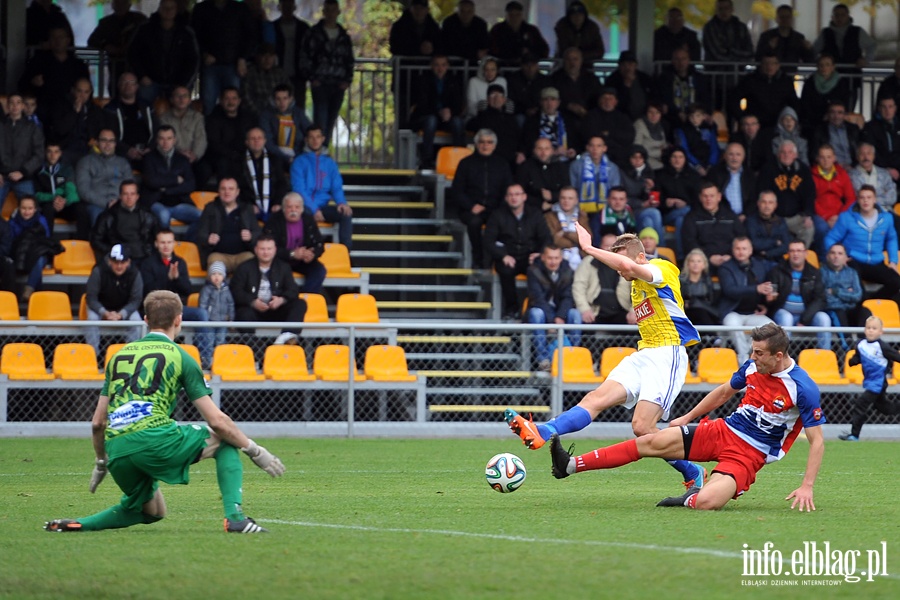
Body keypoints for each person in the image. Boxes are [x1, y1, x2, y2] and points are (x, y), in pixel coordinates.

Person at [43, 289, 285, 534]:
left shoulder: (117, 356)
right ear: (179, 319)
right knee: (224, 441)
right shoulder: (182, 357)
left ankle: (78, 524)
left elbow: (97, 422)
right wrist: (254, 450)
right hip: (153, 439)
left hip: (117, 450)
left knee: (153, 512)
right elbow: (218, 421)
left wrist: (101, 463)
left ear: (146, 320)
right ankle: (235, 518)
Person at [506, 226, 704, 491]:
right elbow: (627, 267)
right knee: (594, 399)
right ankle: (543, 431)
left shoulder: (661, 268)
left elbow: (629, 265)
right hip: (644, 354)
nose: (620, 273)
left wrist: (588, 249)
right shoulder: (635, 286)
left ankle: (693, 470)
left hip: (668, 354)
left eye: (623, 265)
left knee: (643, 428)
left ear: (641, 257)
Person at [548, 323, 824, 512]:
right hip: (724, 431)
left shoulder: (802, 387)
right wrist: (688, 416)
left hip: (750, 454)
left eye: (759, 353)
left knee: (707, 503)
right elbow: (725, 392)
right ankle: (570, 465)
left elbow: (817, 442)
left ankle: (692, 496)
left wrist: (806, 486)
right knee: (652, 441)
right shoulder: (752, 366)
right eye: (753, 350)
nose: (753, 357)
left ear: (778, 356)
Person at [483, 184, 551, 319]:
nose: (514, 198)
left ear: (524, 197)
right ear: (506, 198)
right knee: (505, 270)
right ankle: (511, 309)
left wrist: (540, 253)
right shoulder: (497, 215)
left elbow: (547, 238)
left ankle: (536, 306)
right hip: (508, 257)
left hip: (530, 256)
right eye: (510, 195)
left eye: (517, 194)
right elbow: (488, 241)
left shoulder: (535, 214)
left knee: (538, 269)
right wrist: (503, 255)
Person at [825, 185, 900, 303]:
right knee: (858, 288)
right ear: (858, 200)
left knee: (896, 282)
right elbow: (830, 238)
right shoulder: (846, 217)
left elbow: (891, 239)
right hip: (854, 260)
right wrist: (839, 257)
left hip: (876, 261)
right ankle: (865, 305)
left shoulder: (886, 218)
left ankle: (871, 301)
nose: (865, 200)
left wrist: (893, 261)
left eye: (869, 197)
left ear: (875, 200)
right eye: (862, 197)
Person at [451, 129, 513, 268]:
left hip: (496, 209)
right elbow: (457, 191)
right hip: (471, 209)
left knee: (502, 223)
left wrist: (499, 209)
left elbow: (508, 190)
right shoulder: (465, 163)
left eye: (489, 142)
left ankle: (496, 260)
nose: (486, 145)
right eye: (482, 142)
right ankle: (478, 259)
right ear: (476, 144)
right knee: (474, 222)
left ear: (494, 145)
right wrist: (471, 206)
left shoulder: (502, 164)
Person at [231, 235, 306, 346]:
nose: (266, 252)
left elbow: (293, 290)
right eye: (262, 249)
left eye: (269, 249)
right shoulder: (244, 268)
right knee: (242, 313)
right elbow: (235, 291)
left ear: (275, 250)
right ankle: (258, 350)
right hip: (254, 312)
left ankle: (286, 337)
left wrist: (281, 300)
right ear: (256, 250)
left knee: (300, 304)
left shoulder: (283, 267)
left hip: (276, 310)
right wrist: (252, 301)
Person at [299, 0, 355, 146]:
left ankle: (324, 149)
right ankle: (317, 150)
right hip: (320, 83)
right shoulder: (314, 33)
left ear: (338, 12)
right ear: (324, 12)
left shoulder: (344, 36)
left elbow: (349, 59)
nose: (331, 14)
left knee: (331, 120)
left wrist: (347, 80)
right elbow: (305, 56)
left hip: (338, 84)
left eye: (333, 10)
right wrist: (312, 77)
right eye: (328, 10)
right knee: (320, 119)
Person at [290, 125, 353, 249]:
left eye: (318, 137)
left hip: (323, 206)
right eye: (311, 137)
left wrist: (341, 202)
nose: (315, 140)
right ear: (306, 140)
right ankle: (310, 253)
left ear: (323, 139)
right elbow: (299, 190)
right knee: (304, 214)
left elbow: (336, 186)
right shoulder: (299, 162)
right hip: (304, 206)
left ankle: (345, 255)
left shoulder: (330, 163)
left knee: (346, 214)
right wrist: (314, 210)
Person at [128, 0, 200, 105]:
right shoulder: (145, 29)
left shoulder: (186, 32)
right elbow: (132, 53)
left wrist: (184, 84)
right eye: (165, 8)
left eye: (171, 8)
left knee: (181, 108)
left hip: (178, 82)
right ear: (159, 9)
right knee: (143, 108)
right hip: (150, 81)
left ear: (176, 10)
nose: (168, 11)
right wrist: (141, 76)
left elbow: (193, 60)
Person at [718, 237, 777, 365]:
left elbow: (763, 290)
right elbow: (730, 290)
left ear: (750, 251)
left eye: (744, 248)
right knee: (734, 326)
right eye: (738, 248)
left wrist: (766, 302)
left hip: (752, 313)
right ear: (733, 250)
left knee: (773, 329)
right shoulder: (725, 268)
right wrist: (757, 289)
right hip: (732, 312)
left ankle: (765, 362)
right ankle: (744, 361)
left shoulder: (759, 266)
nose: (741, 252)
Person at [192, 0, 255, 115]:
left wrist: (243, 58)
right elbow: (194, 36)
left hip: (233, 65)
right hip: (210, 65)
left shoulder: (239, 8)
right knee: (208, 103)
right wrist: (204, 53)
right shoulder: (201, 9)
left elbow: (250, 36)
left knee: (233, 104)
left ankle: (232, 131)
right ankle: (209, 131)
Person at [766, 239, 832, 350]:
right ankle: (783, 359)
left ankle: (825, 357)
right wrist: (769, 299)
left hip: (806, 316)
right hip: (783, 313)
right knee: (786, 317)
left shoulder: (814, 273)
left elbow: (820, 299)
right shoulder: (777, 271)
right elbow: (770, 297)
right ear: (788, 254)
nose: (795, 254)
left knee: (824, 318)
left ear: (805, 253)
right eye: (792, 251)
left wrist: (804, 320)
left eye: (799, 251)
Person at [842, 316, 900, 441]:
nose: (870, 331)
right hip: (869, 382)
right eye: (868, 328)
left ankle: (854, 434)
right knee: (884, 408)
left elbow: (895, 356)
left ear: (880, 332)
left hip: (878, 383)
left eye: (874, 328)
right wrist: (853, 361)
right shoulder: (861, 344)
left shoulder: (882, 347)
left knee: (860, 404)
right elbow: (858, 357)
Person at [526, 244, 582, 371]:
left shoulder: (568, 271)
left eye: (556, 258)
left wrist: (560, 316)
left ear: (561, 258)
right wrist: (552, 320)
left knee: (575, 314)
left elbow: (568, 297)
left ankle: (571, 357)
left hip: (560, 313)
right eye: (550, 258)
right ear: (543, 257)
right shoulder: (533, 270)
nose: (553, 261)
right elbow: (537, 298)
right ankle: (543, 360)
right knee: (536, 313)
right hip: (542, 312)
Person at [84, 244, 146, 354]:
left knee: (136, 321)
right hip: (100, 307)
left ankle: (132, 355)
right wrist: (104, 313)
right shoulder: (98, 271)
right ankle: (93, 356)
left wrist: (121, 314)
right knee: (91, 320)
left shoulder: (135, 274)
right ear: (110, 261)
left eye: (123, 262)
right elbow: (91, 298)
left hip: (125, 308)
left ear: (128, 262)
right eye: (116, 262)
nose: (119, 266)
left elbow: (136, 300)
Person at [18, 27, 90, 120]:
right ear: (49, 41)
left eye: (61, 37)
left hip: (71, 108)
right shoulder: (38, 62)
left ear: (68, 40)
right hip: (44, 109)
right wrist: (33, 82)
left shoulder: (78, 65)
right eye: (54, 38)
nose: (58, 41)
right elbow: (21, 85)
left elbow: (88, 90)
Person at [408, 55, 465, 170]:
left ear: (448, 66)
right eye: (437, 65)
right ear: (431, 66)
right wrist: (439, 112)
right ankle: (427, 160)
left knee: (458, 122)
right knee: (431, 120)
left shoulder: (454, 80)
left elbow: (458, 104)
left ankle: (459, 159)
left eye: (443, 65)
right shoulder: (423, 80)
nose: (440, 68)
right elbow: (422, 105)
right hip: (427, 117)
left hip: (447, 119)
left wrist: (450, 112)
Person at [756, 139, 816, 248]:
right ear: (778, 154)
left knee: (809, 228)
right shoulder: (768, 168)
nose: (786, 155)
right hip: (775, 217)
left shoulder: (803, 170)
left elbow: (810, 194)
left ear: (795, 155)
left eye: (790, 152)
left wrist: (808, 214)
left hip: (796, 217)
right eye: (783, 152)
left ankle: (799, 257)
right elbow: (761, 192)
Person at [142, 125, 199, 236]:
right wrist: (175, 179)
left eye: (169, 138)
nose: (165, 142)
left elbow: (190, 184)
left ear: (174, 140)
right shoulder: (149, 158)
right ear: (157, 140)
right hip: (156, 201)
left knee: (202, 216)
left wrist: (166, 190)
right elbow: (152, 181)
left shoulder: (182, 159)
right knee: (164, 217)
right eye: (162, 138)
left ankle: (186, 245)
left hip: (179, 203)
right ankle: (165, 248)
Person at [264, 192, 326, 294]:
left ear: (302, 209)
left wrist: (312, 254)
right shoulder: (274, 220)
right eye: (289, 207)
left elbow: (319, 243)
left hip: (303, 261)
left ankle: (306, 299)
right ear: (283, 209)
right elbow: (269, 248)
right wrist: (292, 254)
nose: (293, 210)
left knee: (319, 270)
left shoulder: (308, 219)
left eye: (297, 207)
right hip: (280, 260)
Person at [197, 177, 261, 272]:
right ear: (218, 191)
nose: (227, 192)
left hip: (242, 255)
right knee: (215, 268)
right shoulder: (210, 208)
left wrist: (251, 237)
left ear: (237, 192)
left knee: (251, 263)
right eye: (223, 189)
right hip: (218, 255)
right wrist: (208, 239)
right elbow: (200, 233)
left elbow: (258, 232)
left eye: (231, 189)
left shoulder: (246, 209)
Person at [681, 182, 745, 274]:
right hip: (703, 262)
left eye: (712, 196)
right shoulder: (691, 217)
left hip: (731, 260)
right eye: (705, 196)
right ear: (700, 198)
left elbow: (741, 238)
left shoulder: (731, 216)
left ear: (719, 197)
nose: (708, 199)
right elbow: (689, 243)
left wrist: (731, 256)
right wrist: (708, 257)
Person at [91, 180, 158, 268]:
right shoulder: (108, 216)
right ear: (120, 196)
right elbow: (96, 240)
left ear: (137, 196)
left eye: (132, 194)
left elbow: (158, 237)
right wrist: (112, 251)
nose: (129, 197)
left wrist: (149, 252)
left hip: (143, 257)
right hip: (117, 259)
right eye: (126, 194)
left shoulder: (148, 215)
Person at [76, 129, 135, 227]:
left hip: (121, 203)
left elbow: (131, 187)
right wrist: (106, 203)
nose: (107, 144)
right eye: (104, 140)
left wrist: (120, 202)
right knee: (99, 217)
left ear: (115, 144)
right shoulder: (86, 162)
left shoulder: (123, 163)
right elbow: (84, 191)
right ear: (97, 142)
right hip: (96, 204)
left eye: (111, 141)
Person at [45, 79, 112, 166]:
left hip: (88, 149)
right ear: (73, 90)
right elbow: (60, 130)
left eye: (86, 92)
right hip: (66, 148)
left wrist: (95, 140)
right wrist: (74, 112)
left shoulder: (95, 110)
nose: (82, 95)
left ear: (90, 92)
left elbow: (102, 130)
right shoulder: (61, 106)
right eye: (79, 91)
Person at [87, 0, 148, 97]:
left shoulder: (139, 20)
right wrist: (106, 46)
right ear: (113, 6)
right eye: (118, 3)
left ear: (129, 5)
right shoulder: (106, 23)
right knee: (116, 91)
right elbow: (92, 41)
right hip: (116, 65)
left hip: (137, 66)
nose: (120, 6)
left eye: (123, 3)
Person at [572, 232, 632, 326]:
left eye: (613, 246)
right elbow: (578, 287)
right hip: (594, 312)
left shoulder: (628, 264)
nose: (609, 249)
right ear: (600, 247)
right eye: (606, 246)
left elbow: (639, 290)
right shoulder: (588, 262)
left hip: (623, 312)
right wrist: (584, 309)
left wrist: (634, 311)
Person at [569, 135, 622, 240]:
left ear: (604, 148)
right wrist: (578, 207)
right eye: (592, 146)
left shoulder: (612, 168)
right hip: (582, 208)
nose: (595, 149)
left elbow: (615, 191)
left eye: (599, 146)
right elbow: (572, 189)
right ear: (587, 147)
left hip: (606, 208)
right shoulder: (576, 165)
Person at [202, 87, 257, 185]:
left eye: (234, 98)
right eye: (227, 98)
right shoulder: (213, 118)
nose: (230, 102)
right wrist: (233, 154)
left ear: (239, 101)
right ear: (221, 101)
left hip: (243, 154)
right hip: (220, 156)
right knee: (224, 163)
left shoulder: (247, 117)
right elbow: (214, 144)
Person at [549, 48, 602, 151]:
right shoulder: (555, 78)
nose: (572, 63)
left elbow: (598, 100)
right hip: (563, 117)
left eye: (575, 59)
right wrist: (568, 106)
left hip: (587, 117)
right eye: (568, 59)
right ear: (564, 61)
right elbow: (549, 100)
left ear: (581, 60)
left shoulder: (591, 78)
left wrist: (586, 112)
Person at [8, 195, 59, 302]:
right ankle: (36, 300)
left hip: (37, 253)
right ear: (18, 208)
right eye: (23, 208)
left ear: (35, 209)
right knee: (37, 265)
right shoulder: (12, 222)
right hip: (19, 255)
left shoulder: (41, 220)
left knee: (40, 258)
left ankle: (29, 289)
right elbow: (11, 242)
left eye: (30, 208)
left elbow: (46, 240)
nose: (27, 212)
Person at [235, 127, 289, 224]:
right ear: (247, 142)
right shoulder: (238, 162)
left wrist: (278, 203)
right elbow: (237, 188)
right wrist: (248, 205)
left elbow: (281, 184)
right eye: (253, 138)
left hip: (273, 207)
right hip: (249, 208)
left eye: (259, 138)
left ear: (265, 141)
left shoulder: (275, 160)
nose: (256, 141)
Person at [35, 141, 88, 239]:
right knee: (47, 209)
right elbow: (37, 195)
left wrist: (64, 201)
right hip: (48, 205)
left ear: (60, 153)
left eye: (56, 152)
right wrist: (53, 198)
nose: (52, 155)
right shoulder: (39, 171)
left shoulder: (66, 169)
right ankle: (47, 242)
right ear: (45, 153)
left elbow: (72, 192)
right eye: (49, 152)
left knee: (81, 208)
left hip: (65, 205)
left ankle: (82, 242)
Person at [732, 54, 798, 133]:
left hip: (779, 125)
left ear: (778, 65)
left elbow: (794, 103)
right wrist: (742, 118)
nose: (769, 66)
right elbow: (734, 99)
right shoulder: (750, 80)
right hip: (755, 125)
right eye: (766, 63)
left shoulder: (786, 81)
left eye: (773, 63)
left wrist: (789, 118)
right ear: (761, 65)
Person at [653, 147, 700, 258]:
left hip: (687, 215)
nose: (677, 160)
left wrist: (685, 203)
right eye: (674, 157)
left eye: (680, 157)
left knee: (681, 219)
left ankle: (679, 256)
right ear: (669, 159)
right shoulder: (660, 175)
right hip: (666, 215)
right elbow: (656, 199)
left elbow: (697, 199)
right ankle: (680, 256)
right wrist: (666, 202)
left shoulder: (693, 176)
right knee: (685, 211)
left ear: (685, 159)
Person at [105, 72, 156, 169]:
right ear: (119, 86)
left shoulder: (147, 107)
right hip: (121, 153)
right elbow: (109, 135)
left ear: (137, 86)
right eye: (124, 82)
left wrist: (150, 148)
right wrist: (127, 150)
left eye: (131, 82)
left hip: (147, 152)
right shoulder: (110, 109)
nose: (128, 85)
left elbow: (157, 130)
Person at [0, 94, 45, 203]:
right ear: (7, 106)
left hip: (24, 177)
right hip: (2, 176)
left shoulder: (32, 128)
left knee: (31, 210)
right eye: (11, 103)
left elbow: (39, 154)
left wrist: (23, 172)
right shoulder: (1, 126)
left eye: (18, 103)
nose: (15, 106)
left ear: (23, 106)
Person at [811, 143, 855, 253]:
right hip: (820, 213)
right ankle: (823, 259)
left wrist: (839, 217)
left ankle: (846, 258)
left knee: (850, 226)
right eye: (822, 157)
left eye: (829, 157)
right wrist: (826, 217)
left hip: (839, 212)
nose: (826, 160)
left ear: (834, 158)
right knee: (822, 229)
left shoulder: (841, 173)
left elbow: (851, 198)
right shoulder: (811, 174)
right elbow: (811, 199)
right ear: (817, 159)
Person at [655, 47, 711, 131]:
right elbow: (663, 99)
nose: (680, 62)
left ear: (688, 60)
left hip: (696, 115)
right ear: (672, 61)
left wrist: (703, 113)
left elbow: (706, 98)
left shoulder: (699, 78)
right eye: (677, 59)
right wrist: (677, 113)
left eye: (683, 59)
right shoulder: (664, 78)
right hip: (673, 116)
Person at [821, 242, 867, 341]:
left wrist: (835, 291)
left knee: (865, 312)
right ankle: (848, 348)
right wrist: (847, 293)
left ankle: (864, 343)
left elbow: (857, 295)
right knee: (838, 312)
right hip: (834, 309)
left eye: (840, 253)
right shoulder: (821, 272)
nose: (836, 256)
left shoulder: (852, 272)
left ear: (846, 257)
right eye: (833, 253)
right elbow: (825, 296)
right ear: (828, 256)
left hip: (850, 309)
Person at [799, 55, 852, 138]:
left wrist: (832, 115)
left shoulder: (842, 83)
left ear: (833, 67)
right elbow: (805, 104)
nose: (824, 68)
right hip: (814, 120)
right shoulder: (810, 83)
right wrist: (819, 117)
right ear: (817, 67)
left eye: (827, 65)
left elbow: (845, 103)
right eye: (821, 65)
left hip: (836, 119)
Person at [158, 86, 208, 173]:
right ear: (172, 99)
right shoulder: (164, 118)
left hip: (193, 157)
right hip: (173, 157)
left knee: (204, 170)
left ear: (189, 100)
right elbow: (163, 141)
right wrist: (179, 153)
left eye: (185, 96)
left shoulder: (197, 117)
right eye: (178, 96)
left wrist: (194, 155)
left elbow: (201, 139)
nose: (181, 99)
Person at [467, 84, 520, 165]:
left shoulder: (511, 119)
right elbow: (469, 126)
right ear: (488, 99)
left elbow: (518, 137)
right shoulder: (482, 117)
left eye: (499, 95)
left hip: (509, 160)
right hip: (488, 159)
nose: (496, 98)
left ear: (504, 100)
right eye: (492, 95)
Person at [518, 87, 573, 163]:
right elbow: (528, 145)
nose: (549, 103)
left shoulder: (567, 120)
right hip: (539, 163)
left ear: (558, 102)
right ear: (541, 102)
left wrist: (572, 151)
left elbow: (575, 142)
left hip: (564, 162)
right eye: (545, 99)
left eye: (553, 99)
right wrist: (553, 152)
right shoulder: (533, 121)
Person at [273, 0, 310, 111]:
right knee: (277, 107)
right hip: (276, 75)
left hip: (298, 75)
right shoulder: (273, 27)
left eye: (289, 6)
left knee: (298, 108)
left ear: (294, 7)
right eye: (285, 6)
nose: (287, 8)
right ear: (280, 7)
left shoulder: (304, 28)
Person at [584, 87, 634, 167]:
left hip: (619, 158)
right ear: (599, 101)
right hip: (596, 157)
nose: (607, 101)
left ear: (616, 102)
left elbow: (629, 137)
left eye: (610, 99)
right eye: (604, 98)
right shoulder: (591, 116)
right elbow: (589, 135)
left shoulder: (623, 117)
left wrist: (609, 133)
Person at [516, 138, 570, 213]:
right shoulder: (525, 167)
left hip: (559, 210)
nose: (543, 152)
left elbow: (568, 191)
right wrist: (539, 204)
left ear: (552, 151)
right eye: (539, 149)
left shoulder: (561, 167)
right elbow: (518, 193)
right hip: (531, 211)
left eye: (547, 149)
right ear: (534, 150)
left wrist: (553, 196)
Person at [489, 1, 549, 65]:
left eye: (517, 15)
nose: (514, 18)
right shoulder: (497, 30)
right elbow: (491, 50)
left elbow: (544, 50)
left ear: (521, 15)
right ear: (506, 15)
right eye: (511, 15)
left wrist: (530, 54)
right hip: (503, 66)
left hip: (526, 67)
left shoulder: (531, 30)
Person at [544, 186, 589, 270]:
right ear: (559, 199)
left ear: (576, 201)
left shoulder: (582, 217)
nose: (566, 201)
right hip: (556, 257)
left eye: (570, 198)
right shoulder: (549, 216)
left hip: (580, 256)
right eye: (563, 198)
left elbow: (586, 240)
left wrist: (565, 233)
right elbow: (554, 240)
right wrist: (575, 242)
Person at [849, 142, 897, 218]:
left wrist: (871, 199)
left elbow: (892, 196)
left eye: (869, 153)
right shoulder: (852, 175)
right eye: (862, 154)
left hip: (886, 211)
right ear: (857, 157)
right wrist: (882, 196)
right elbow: (858, 196)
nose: (866, 157)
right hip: (862, 213)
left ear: (873, 156)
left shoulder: (884, 173)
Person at [605, 51, 655, 122]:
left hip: (644, 117)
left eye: (630, 64)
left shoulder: (645, 79)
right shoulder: (612, 80)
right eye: (624, 65)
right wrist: (626, 86)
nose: (627, 67)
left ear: (635, 65)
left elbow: (653, 96)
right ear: (619, 66)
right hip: (620, 118)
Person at [745, 190, 792, 266]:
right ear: (758, 204)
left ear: (775, 205)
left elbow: (786, 245)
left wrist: (767, 253)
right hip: (757, 262)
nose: (767, 206)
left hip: (778, 261)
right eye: (764, 202)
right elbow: (754, 244)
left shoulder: (780, 221)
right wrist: (775, 242)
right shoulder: (750, 221)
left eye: (770, 202)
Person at [240, 43, 288, 117]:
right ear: (258, 57)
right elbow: (246, 97)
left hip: (278, 111)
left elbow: (289, 92)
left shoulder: (280, 73)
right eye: (264, 56)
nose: (267, 59)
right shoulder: (250, 73)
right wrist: (260, 113)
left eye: (270, 56)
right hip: (256, 113)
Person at [708, 143, 752, 219]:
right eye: (731, 154)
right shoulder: (714, 173)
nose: (734, 158)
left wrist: (745, 214)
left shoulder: (749, 175)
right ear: (725, 156)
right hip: (721, 217)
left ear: (743, 157)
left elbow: (753, 199)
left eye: (738, 155)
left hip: (744, 218)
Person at [199, 260, 235, 356]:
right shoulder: (206, 289)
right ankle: (209, 360)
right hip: (210, 321)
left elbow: (230, 304)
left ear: (223, 276)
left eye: (219, 274)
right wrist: (205, 319)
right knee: (209, 341)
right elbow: (203, 304)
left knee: (221, 341)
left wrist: (231, 318)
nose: (216, 276)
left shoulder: (226, 290)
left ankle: (219, 359)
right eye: (213, 274)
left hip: (222, 321)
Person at [810, 101, 860, 169]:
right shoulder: (820, 130)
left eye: (840, 113)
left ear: (845, 115)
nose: (836, 116)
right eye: (832, 112)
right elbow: (815, 154)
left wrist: (853, 166)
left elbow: (860, 151)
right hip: (829, 168)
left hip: (852, 167)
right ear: (828, 114)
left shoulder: (853, 129)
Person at [702, 0, 753, 65]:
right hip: (716, 70)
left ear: (732, 9)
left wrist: (730, 51)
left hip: (738, 71)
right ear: (716, 10)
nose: (723, 12)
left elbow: (750, 52)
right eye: (720, 9)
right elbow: (716, 53)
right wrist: (738, 56)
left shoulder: (741, 27)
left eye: (726, 8)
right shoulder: (709, 28)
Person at [862, 96, 900, 182]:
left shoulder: (898, 125)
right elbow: (870, 151)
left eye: (890, 106)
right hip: (880, 167)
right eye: (884, 107)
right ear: (879, 108)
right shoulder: (870, 127)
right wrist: (886, 168)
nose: (887, 110)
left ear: (895, 108)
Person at [506, 54, 552, 125]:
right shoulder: (514, 79)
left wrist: (538, 109)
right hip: (520, 113)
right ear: (522, 66)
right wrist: (525, 110)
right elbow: (511, 101)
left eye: (533, 65)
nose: (530, 68)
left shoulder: (544, 80)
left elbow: (548, 98)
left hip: (541, 112)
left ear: (537, 66)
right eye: (527, 65)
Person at [680, 248, 720, 329]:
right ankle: (713, 338)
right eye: (692, 261)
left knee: (701, 312)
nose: (695, 264)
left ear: (704, 265)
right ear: (688, 264)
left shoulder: (708, 281)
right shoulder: (681, 281)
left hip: (705, 311)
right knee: (699, 312)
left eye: (699, 261)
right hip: (686, 312)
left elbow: (711, 300)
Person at [675, 104, 718, 177]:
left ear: (704, 116)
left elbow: (714, 148)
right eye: (692, 116)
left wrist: (711, 164)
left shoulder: (709, 129)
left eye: (698, 116)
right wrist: (697, 165)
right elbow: (684, 150)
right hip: (691, 164)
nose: (694, 119)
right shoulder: (682, 130)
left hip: (708, 164)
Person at [633, 102, 670, 171]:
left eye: (657, 113)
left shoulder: (659, 126)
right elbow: (638, 148)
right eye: (651, 112)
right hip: (644, 159)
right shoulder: (640, 124)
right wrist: (659, 151)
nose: (654, 115)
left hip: (660, 158)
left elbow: (663, 144)